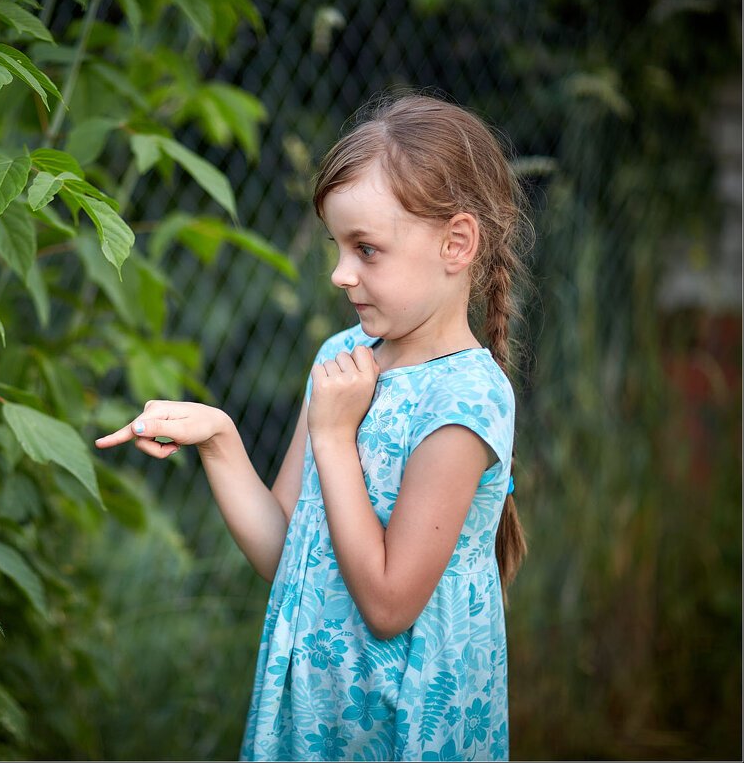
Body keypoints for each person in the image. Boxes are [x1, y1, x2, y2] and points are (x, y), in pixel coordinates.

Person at [94, 91, 531, 761]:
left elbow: (388, 605)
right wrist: (219, 439)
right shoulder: (339, 361)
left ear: (456, 242)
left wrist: (332, 437)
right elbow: (288, 556)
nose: (338, 272)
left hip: (404, 726)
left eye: (366, 249)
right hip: (316, 714)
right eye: (336, 245)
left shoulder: (465, 401)